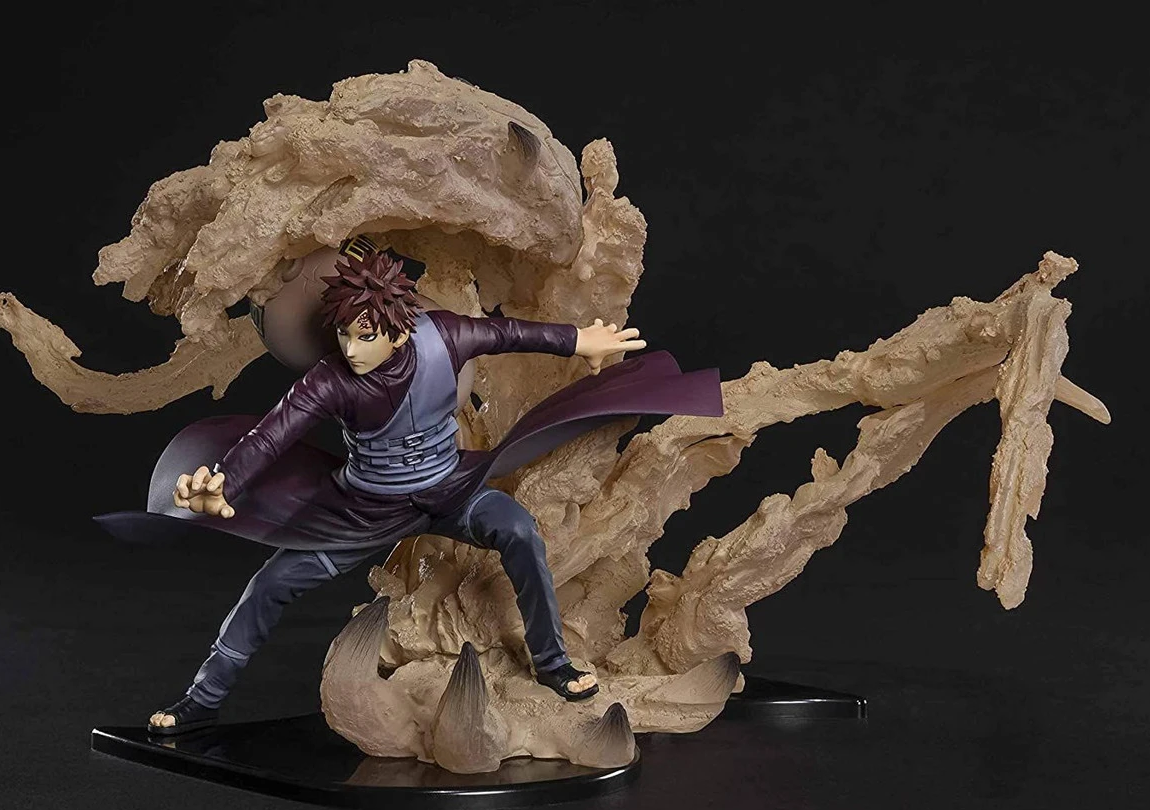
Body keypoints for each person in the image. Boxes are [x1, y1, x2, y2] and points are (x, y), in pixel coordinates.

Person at [95, 239, 724, 735]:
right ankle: (201, 700)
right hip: (363, 512)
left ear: (398, 329)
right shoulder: (330, 380)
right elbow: (271, 435)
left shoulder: (443, 336)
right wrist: (224, 481)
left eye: (364, 335)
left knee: (519, 530)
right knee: (269, 585)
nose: (350, 347)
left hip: (451, 490)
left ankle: (554, 663)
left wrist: (579, 340)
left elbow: (509, 333)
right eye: (344, 333)